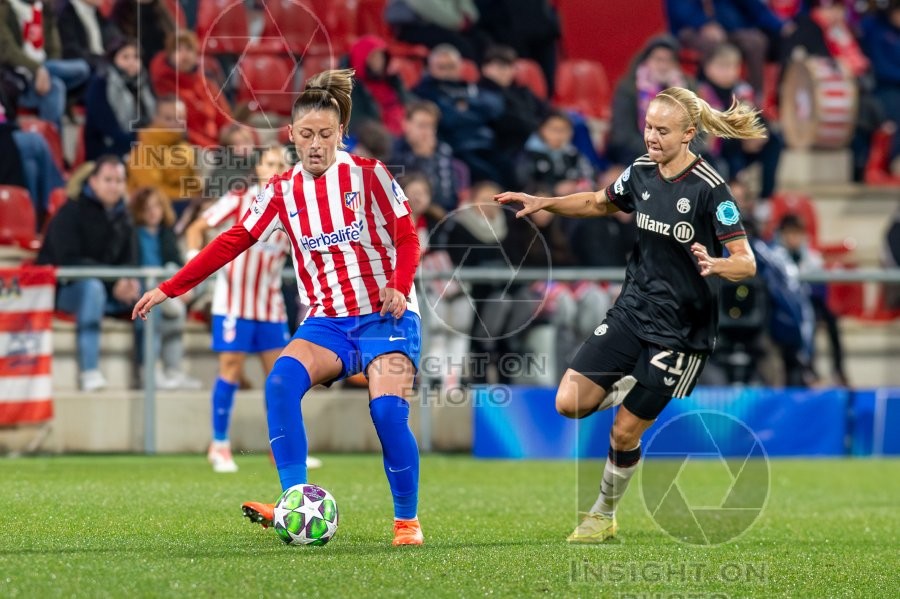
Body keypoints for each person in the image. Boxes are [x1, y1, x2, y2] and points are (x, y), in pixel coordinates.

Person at [133, 69, 425, 546]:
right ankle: (294, 504)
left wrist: (398, 284)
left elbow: (407, 237)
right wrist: (173, 286)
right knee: (281, 382)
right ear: (290, 135)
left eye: (326, 135)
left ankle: (406, 523)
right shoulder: (282, 190)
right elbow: (232, 239)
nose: (315, 144)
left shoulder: (370, 176)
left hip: (385, 315)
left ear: (340, 135)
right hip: (329, 319)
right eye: (306, 134)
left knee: (388, 414)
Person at [496, 86, 762, 542]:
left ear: (688, 134)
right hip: (632, 310)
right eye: (648, 126)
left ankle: (602, 515)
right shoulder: (640, 171)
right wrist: (547, 203)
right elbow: (600, 201)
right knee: (568, 403)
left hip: (680, 332)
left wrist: (719, 264)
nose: (651, 137)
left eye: (662, 130)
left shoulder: (710, 189)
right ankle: (626, 382)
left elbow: (747, 261)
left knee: (623, 433)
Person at [184, 145, 295, 473]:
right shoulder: (239, 199)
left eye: (281, 164)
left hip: (270, 304)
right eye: (269, 162)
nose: (274, 169)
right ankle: (219, 445)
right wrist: (194, 262)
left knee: (280, 378)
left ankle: (282, 451)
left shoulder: (294, 210)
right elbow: (196, 227)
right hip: (233, 300)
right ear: (258, 168)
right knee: (230, 369)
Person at [37, 155, 141, 391]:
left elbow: (130, 261)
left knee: (147, 294)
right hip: (65, 290)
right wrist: (112, 281)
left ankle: (149, 371)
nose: (114, 186)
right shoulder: (70, 212)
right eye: (108, 180)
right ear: (93, 181)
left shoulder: (125, 217)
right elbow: (68, 262)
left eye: (119, 180)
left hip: (108, 289)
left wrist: (128, 281)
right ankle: (90, 371)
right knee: (92, 288)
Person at [130, 187, 202, 390]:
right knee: (156, 306)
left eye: (156, 206)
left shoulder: (166, 234)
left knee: (172, 272)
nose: (152, 212)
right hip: (141, 289)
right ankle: (149, 372)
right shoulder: (133, 233)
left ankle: (173, 370)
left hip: (163, 288)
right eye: (146, 208)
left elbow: (176, 265)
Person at [0, 0, 91, 133]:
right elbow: (7, 52)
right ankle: (53, 146)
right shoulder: (4, 8)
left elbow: (54, 48)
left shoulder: (45, 10)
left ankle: (52, 144)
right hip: (16, 73)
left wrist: (44, 72)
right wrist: (37, 69)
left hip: (45, 70)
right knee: (57, 86)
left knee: (79, 70)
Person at [84, 37, 155, 160]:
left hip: (142, 143)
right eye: (125, 57)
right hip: (108, 147)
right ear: (113, 59)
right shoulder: (101, 84)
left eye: (136, 57)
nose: (132, 62)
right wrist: (138, 141)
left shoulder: (145, 83)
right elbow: (107, 127)